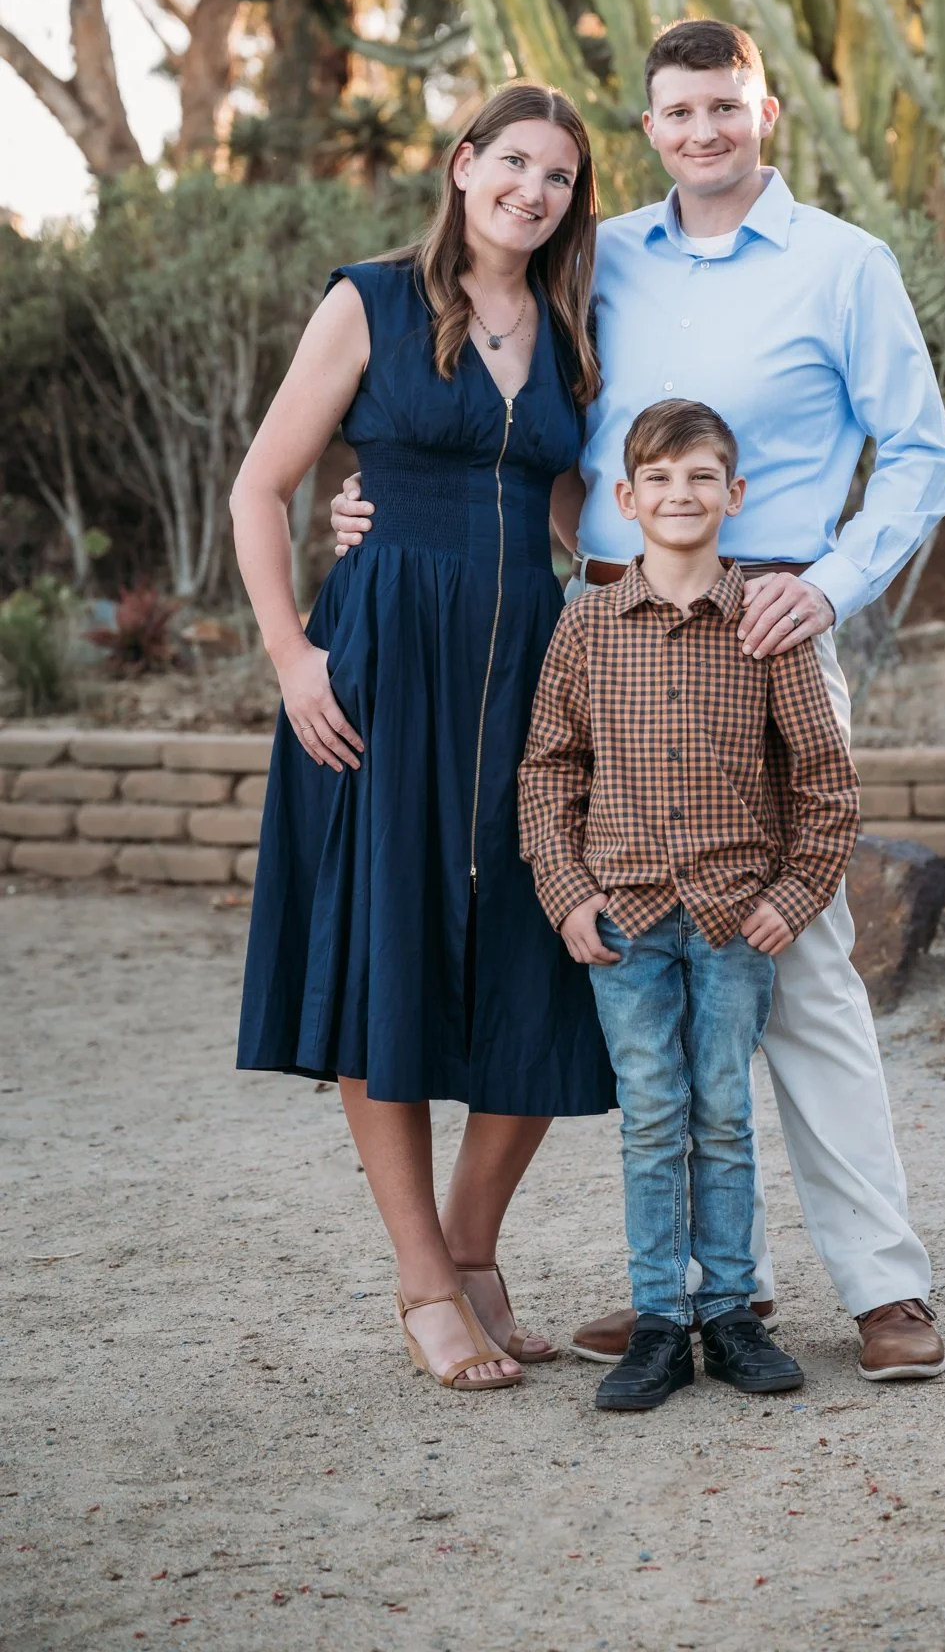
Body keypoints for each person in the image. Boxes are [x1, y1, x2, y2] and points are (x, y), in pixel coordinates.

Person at [334, 18, 945, 1382]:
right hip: (606, 628)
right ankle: (684, 1292)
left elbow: (919, 455)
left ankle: (885, 1289)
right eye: (677, 113)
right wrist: (375, 502)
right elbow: (517, 413)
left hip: (767, 626)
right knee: (641, 967)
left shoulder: (846, 266)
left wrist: (832, 586)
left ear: (767, 111)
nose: (703, 133)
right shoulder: (597, 259)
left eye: (725, 108)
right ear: (650, 127)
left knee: (792, 962)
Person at [231, 83, 615, 1396]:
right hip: (382, 666)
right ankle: (418, 1284)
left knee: (543, 950)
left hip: (528, 679)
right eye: (513, 162)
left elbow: (574, 513)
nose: (533, 191)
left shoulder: (568, 331)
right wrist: (292, 659)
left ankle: (473, 1250)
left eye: (558, 177)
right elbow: (260, 485)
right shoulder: (372, 302)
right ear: (462, 167)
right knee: (383, 950)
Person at [518, 398, 860, 1411]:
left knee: (720, 1110)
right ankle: (660, 1320)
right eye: (658, 480)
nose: (680, 495)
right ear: (622, 500)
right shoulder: (586, 622)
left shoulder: (766, 621)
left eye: (701, 477)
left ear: (734, 493)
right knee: (652, 1114)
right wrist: (567, 891)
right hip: (623, 918)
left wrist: (795, 897)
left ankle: (731, 1315)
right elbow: (548, 770)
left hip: (731, 917)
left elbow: (825, 783)